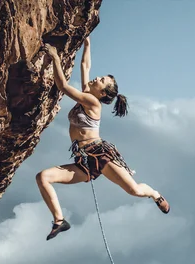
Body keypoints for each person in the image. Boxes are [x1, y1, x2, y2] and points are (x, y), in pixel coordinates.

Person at [37, 37, 170, 241]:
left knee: (134, 190)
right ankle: (59, 221)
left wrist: (54, 57)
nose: (97, 78)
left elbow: (62, 86)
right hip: (83, 160)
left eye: (101, 81)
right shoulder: (87, 94)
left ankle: (154, 194)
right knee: (43, 177)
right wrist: (87, 44)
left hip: (101, 154)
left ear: (102, 93)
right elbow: (85, 65)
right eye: (100, 77)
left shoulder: (92, 101)